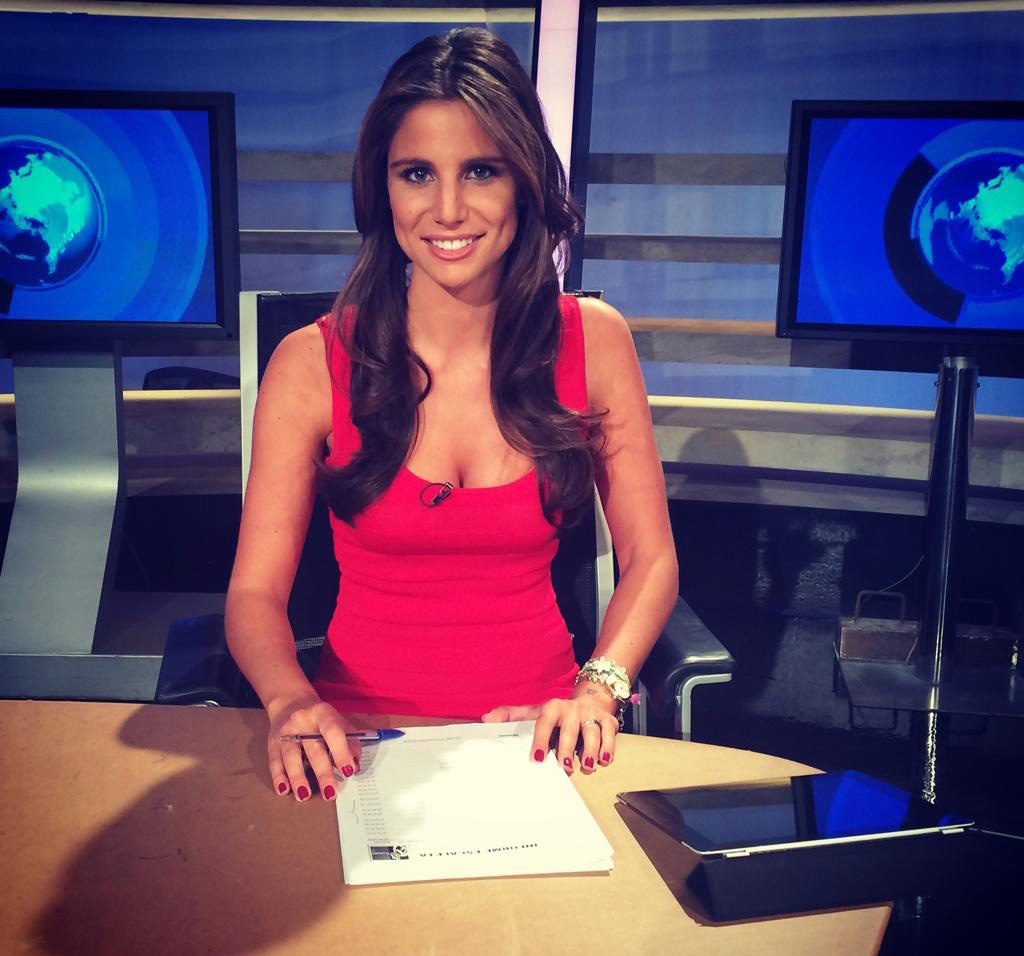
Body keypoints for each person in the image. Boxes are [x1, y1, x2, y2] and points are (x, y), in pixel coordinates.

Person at [225, 27, 678, 803]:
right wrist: (290, 701)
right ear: (382, 189)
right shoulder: (309, 363)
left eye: (480, 170)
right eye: (416, 174)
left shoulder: (595, 342)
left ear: (523, 181)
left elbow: (651, 560)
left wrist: (598, 689)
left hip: (542, 739)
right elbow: (253, 595)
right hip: (354, 749)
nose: (447, 209)